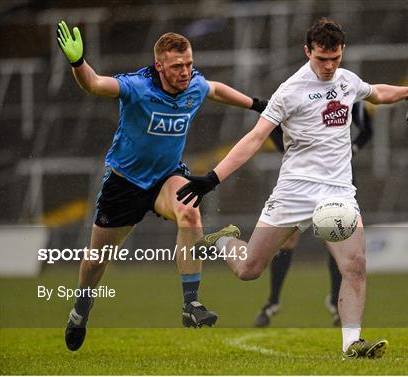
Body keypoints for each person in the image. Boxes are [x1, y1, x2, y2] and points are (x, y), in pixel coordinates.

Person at [177, 18, 408, 358]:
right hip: (294, 191)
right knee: (249, 269)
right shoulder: (289, 91)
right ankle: (223, 239)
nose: (328, 67)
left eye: (335, 58)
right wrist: (212, 177)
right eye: (321, 59)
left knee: (354, 265)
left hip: (338, 193)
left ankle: (351, 344)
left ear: (342, 53)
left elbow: (376, 93)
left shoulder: (346, 80)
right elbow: (254, 138)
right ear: (307, 51)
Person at [56, 21, 267, 351]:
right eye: (177, 66)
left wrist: (257, 105)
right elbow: (95, 84)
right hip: (125, 185)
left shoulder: (193, 86)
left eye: (189, 64)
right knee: (97, 261)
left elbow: (214, 89)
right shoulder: (137, 87)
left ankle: (191, 304)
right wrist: (77, 63)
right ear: (159, 65)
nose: (185, 72)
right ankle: (81, 309)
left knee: (190, 212)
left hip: (166, 178)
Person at [255, 102, 373, 328]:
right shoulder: (293, 94)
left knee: (338, 237)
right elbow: (272, 127)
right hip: (299, 182)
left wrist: (353, 149)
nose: (328, 65)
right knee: (287, 240)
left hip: (336, 180)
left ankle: (335, 302)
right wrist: (293, 153)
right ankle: (273, 301)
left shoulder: (346, 94)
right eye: (322, 62)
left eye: (332, 62)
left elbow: (367, 129)